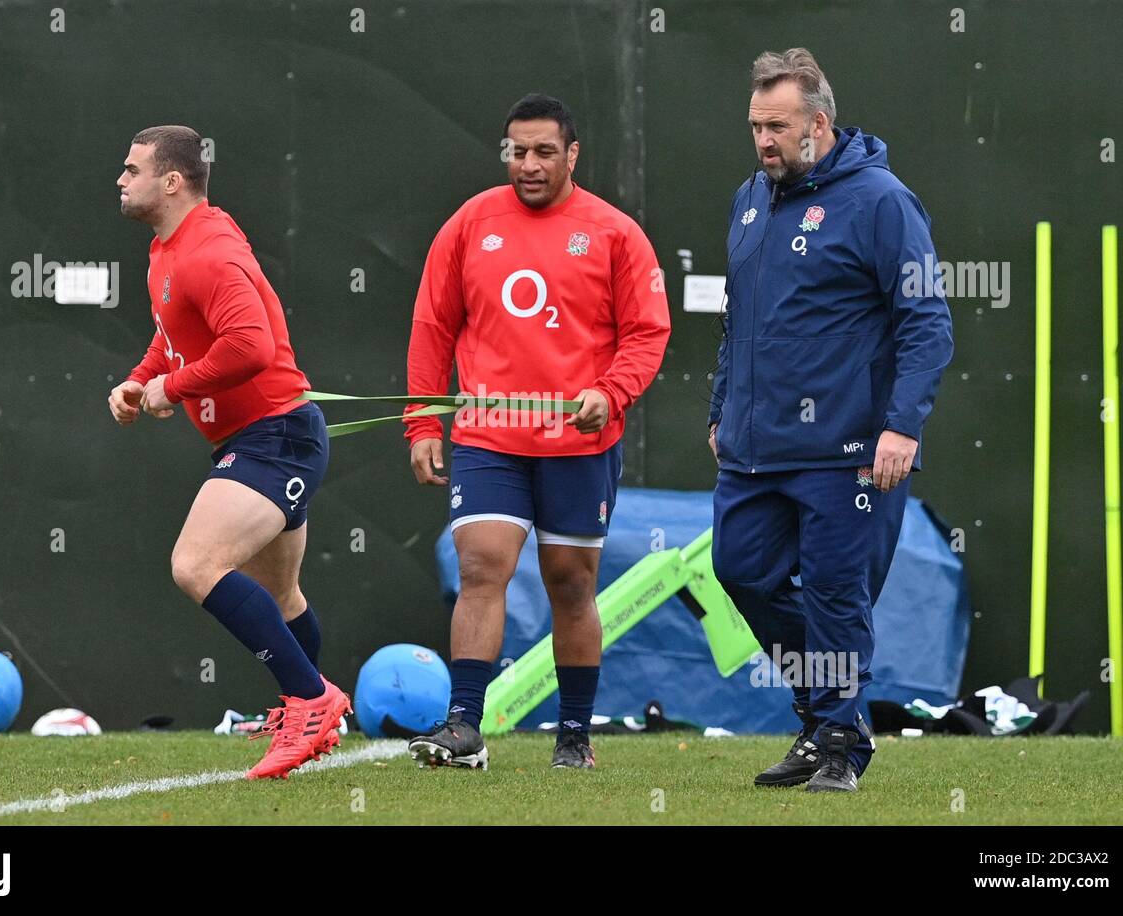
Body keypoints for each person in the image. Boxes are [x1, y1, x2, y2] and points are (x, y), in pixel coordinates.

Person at [709, 50, 953, 792]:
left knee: (835, 593)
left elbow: (926, 322)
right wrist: (722, 408)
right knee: (740, 572)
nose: (764, 142)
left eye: (777, 127)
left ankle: (840, 744)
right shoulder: (750, 197)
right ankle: (822, 716)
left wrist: (902, 426)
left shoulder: (882, 201)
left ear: (818, 122)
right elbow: (737, 320)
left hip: (848, 449)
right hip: (755, 448)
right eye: (755, 127)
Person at [404, 94, 671, 770]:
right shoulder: (469, 224)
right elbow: (433, 327)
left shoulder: (614, 233)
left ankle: (574, 737)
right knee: (481, 567)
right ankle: (465, 726)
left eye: (543, 152)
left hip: (579, 444)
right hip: (489, 436)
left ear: (572, 154)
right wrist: (423, 421)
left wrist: (607, 396)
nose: (527, 164)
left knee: (570, 584)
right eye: (517, 151)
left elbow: (646, 333)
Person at [108, 125, 350, 779]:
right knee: (282, 591)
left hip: (278, 437)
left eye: (133, 170)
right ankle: (299, 709)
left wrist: (172, 387)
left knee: (195, 564)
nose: (121, 180)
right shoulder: (169, 249)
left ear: (172, 181)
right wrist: (142, 378)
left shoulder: (208, 251)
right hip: (261, 437)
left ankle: (310, 700)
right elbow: (177, 333)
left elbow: (251, 346)